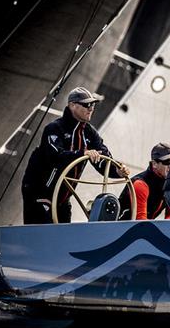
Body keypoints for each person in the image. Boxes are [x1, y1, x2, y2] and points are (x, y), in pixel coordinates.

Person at [21, 86, 130, 224]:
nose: (91, 108)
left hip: (63, 198)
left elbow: (103, 160)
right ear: (72, 105)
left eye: (93, 105)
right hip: (39, 192)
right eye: (86, 105)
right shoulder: (54, 129)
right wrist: (82, 153)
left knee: (65, 237)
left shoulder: (90, 133)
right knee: (39, 235)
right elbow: (55, 157)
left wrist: (118, 171)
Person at [118, 143, 170, 220]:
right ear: (154, 164)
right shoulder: (141, 184)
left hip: (144, 226)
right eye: (167, 161)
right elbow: (140, 221)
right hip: (124, 228)